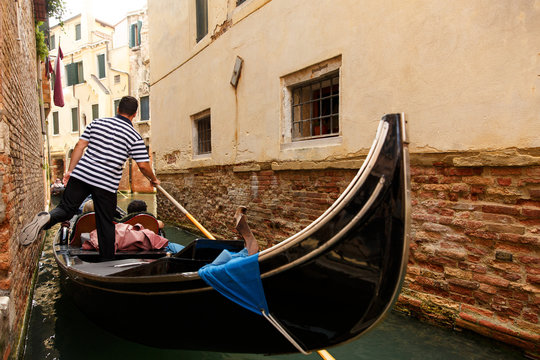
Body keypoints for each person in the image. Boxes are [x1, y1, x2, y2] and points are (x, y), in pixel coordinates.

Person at [20, 96, 160, 261]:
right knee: (105, 224)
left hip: (82, 175)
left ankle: (49, 217)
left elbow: (80, 146)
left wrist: (70, 171)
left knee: (66, 210)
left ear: (118, 109)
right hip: (106, 184)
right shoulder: (134, 136)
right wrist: (153, 179)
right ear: (135, 114)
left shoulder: (97, 123)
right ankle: (107, 263)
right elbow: (143, 165)